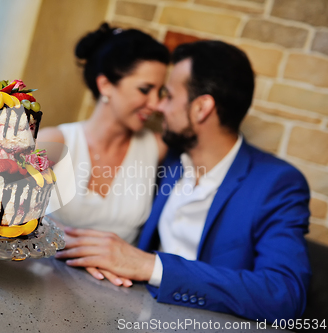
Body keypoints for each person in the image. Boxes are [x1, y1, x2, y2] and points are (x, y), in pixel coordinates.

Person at [55, 40, 311, 322]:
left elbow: (286, 296)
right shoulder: (169, 160)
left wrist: (152, 267)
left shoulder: (277, 184)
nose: (159, 106)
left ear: (201, 108)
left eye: (169, 96)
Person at [40, 23, 169, 246]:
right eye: (145, 90)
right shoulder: (54, 142)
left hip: (115, 280)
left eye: (161, 92)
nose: (156, 104)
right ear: (106, 84)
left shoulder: (157, 148)